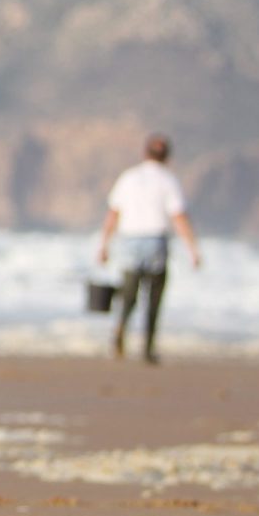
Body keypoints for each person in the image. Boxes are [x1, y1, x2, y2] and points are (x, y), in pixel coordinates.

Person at [97, 134, 203, 364]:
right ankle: (148, 347)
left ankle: (120, 330)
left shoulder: (128, 178)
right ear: (167, 157)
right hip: (155, 240)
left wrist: (104, 245)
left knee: (128, 293)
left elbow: (113, 213)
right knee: (153, 298)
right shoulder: (167, 180)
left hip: (129, 240)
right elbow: (179, 217)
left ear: (145, 153)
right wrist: (193, 249)